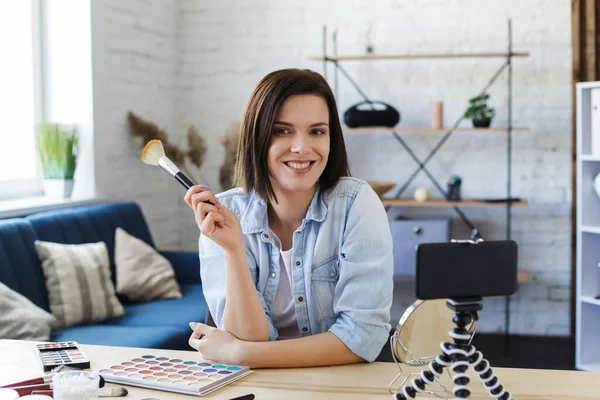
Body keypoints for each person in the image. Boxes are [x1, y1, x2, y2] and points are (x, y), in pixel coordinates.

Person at [184, 68, 393, 368]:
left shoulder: (356, 204)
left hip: (337, 382)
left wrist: (241, 354)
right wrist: (233, 250)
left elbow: (362, 338)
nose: (301, 147)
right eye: (282, 130)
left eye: (317, 131)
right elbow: (248, 337)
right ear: (257, 137)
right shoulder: (223, 214)